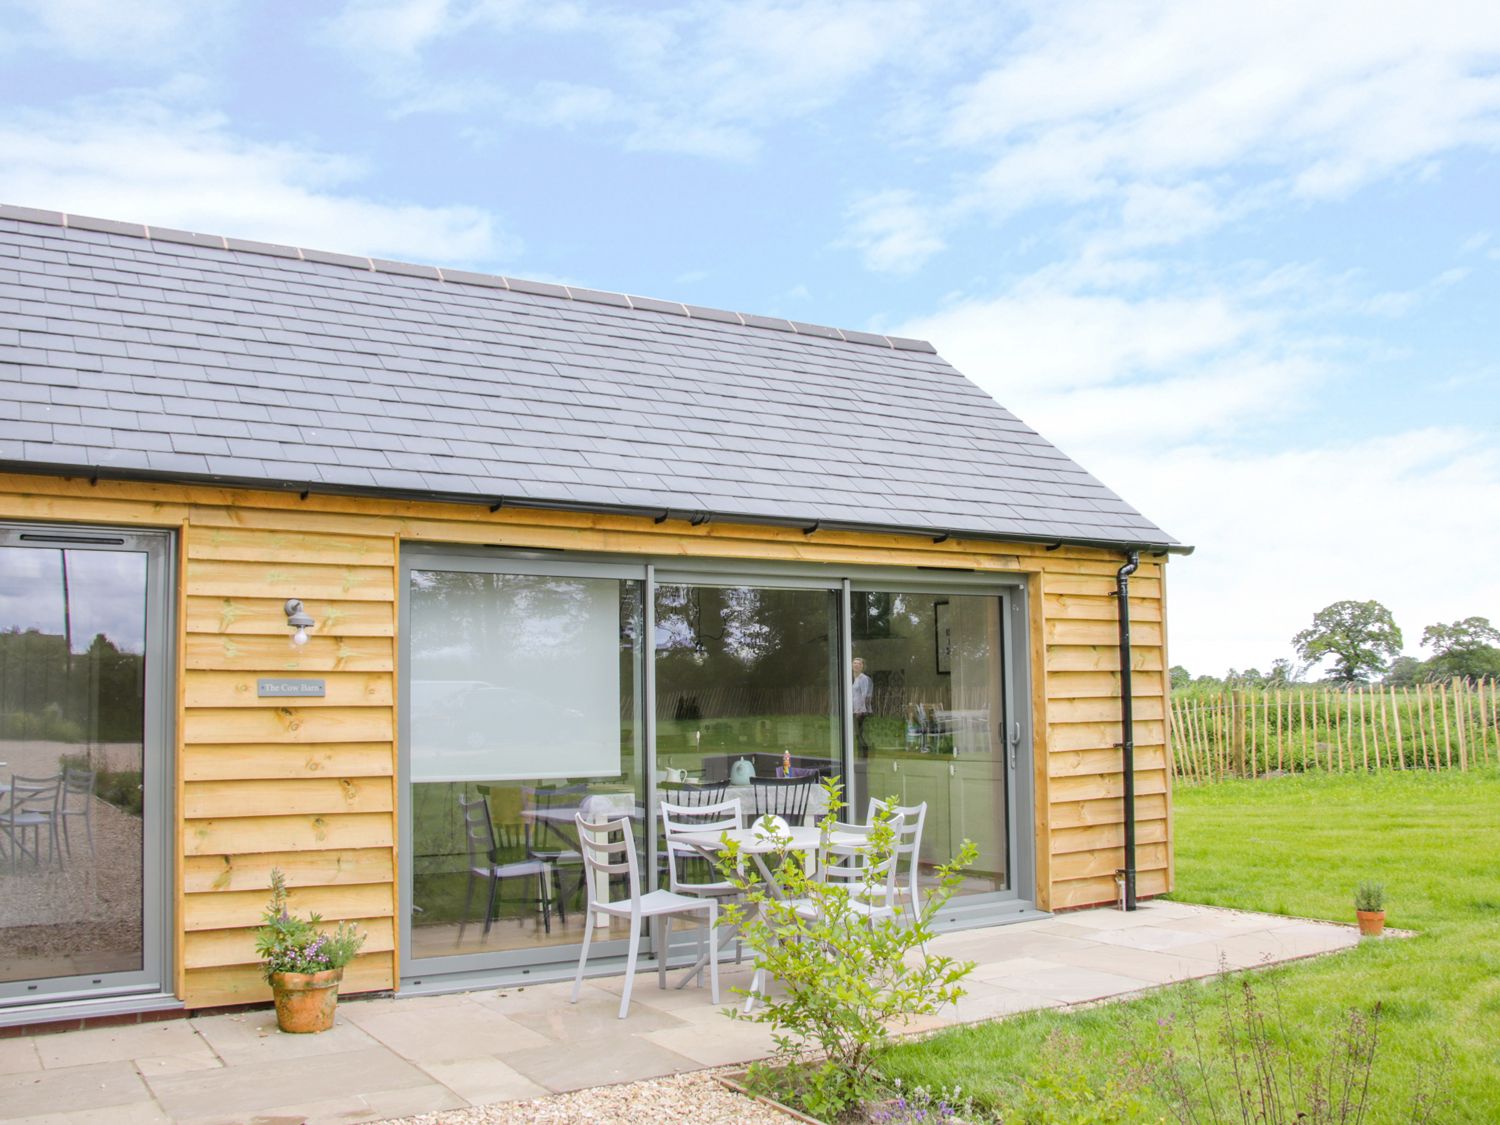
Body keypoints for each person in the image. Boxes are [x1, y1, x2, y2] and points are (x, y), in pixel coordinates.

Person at [851, 656, 874, 757]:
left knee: (860, 734)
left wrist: (860, 711)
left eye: (858, 663)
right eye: (854, 663)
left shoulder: (863, 678)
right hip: (855, 711)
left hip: (860, 712)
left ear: (862, 666)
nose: (855, 665)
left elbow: (865, 695)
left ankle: (865, 755)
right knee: (858, 734)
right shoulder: (855, 679)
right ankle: (861, 754)